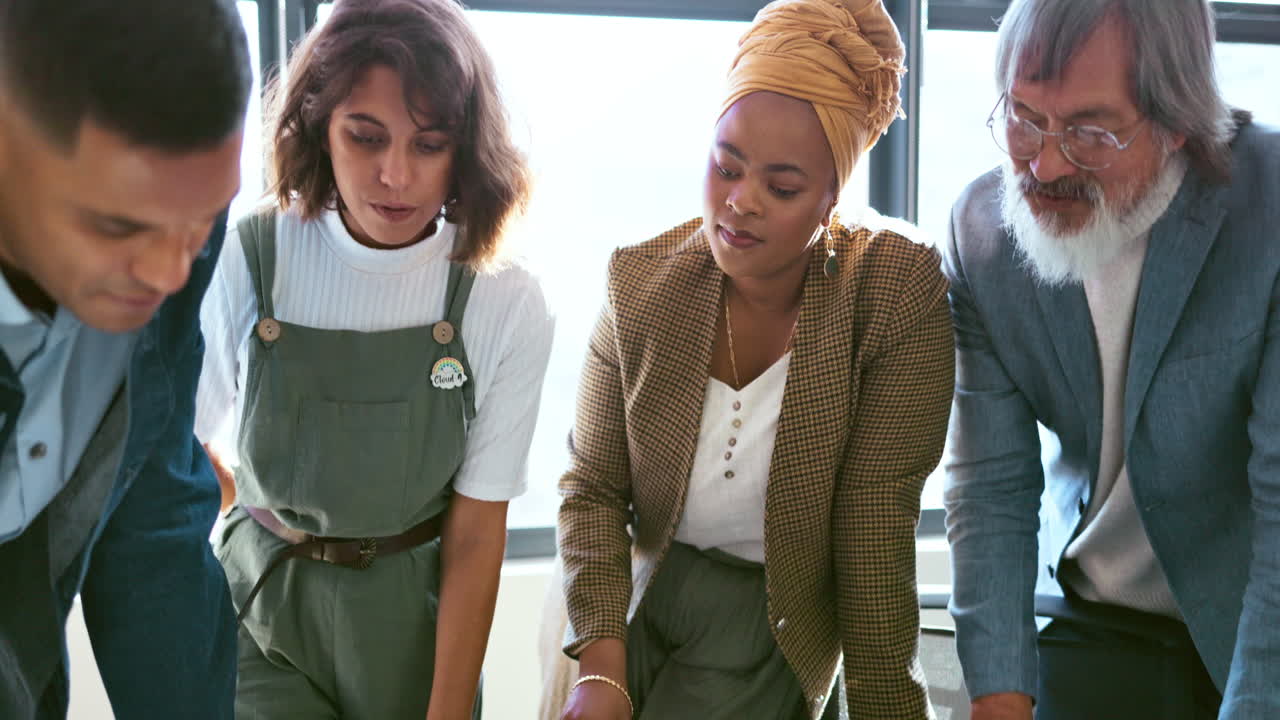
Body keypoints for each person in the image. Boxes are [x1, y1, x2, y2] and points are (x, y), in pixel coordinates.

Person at [555, 1, 954, 718]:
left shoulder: (892, 294)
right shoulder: (639, 285)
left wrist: (889, 708)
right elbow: (591, 488)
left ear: (834, 193)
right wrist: (601, 669)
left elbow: (874, 533)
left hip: (775, 623)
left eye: (783, 187)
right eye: (726, 167)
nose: (740, 204)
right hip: (631, 608)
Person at [194, 0, 554, 717]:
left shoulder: (503, 299)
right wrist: (253, 512)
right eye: (366, 137)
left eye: (429, 144)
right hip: (261, 612)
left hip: (411, 635)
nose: (396, 175)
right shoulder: (255, 254)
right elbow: (178, 445)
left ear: (467, 148)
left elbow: (478, 533)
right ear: (319, 128)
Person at [941, 0, 1280, 718]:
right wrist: (998, 703)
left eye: (1091, 131)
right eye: (1025, 116)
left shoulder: (1270, 209)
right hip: (1098, 616)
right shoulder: (982, 237)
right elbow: (991, 490)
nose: (1046, 162)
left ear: (1176, 123)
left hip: (1257, 615)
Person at [0, 1, 251, 717]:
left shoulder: (170, 202)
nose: (171, 273)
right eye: (120, 227)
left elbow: (152, 493)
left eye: (201, 222)